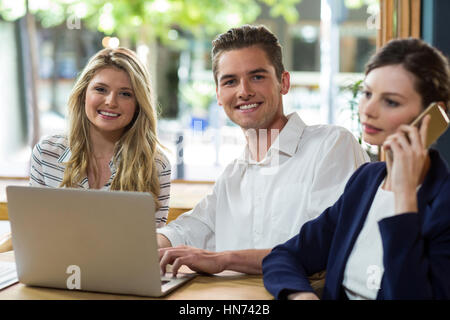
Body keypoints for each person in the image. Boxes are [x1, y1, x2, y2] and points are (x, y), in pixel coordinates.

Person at [158, 25, 369, 276]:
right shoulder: (232, 176)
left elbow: (323, 248)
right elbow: (188, 229)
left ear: (284, 82)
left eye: (257, 77)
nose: (244, 91)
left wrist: (225, 259)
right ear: (218, 94)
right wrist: (146, 251)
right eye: (230, 81)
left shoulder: (332, 145)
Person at [262, 38, 450, 300]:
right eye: (367, 93)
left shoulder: (443, 203)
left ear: (431, 115)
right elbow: (284, 255)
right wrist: (300, 295)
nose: (368, 110)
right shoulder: (366, 181)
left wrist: (405, 199)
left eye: (391, 102)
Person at [29, 47, 171, 228]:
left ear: (138, 105)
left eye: (125, 94)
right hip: (54, 256)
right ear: (83, 95)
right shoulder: (46, 152)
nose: (111, 101)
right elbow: (34, 228)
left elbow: (152, 242)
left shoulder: (156, 165)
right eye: (101, 89)